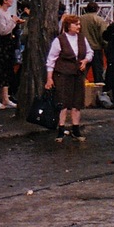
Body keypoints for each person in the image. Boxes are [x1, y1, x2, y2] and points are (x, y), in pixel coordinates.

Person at [46, 13, 93, 141]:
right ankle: (60, 130)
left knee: (77, 102)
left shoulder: (82, 39)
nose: (79, 26)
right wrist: (49, 78)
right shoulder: (59, 40)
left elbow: (90, 52)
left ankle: (75, 130)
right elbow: (51, 60)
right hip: (62, 75)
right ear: (68, 26)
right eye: (76, 24)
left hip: (77, 75)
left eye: (79, 24)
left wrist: (85, 61)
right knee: (63, 102)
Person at [79, 1, 108, 85]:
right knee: (98, 74)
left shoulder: (80, 19)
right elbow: (103, 36)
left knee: (82, 72)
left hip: (83, 49)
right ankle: (98, 94)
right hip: (96, 49)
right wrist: (106, 48)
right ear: (97, 9)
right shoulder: (99, 20)